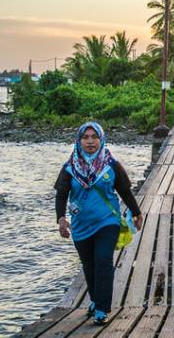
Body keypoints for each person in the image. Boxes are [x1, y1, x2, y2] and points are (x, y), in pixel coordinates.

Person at [54, 122, 143, 325]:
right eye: (85, 137)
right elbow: (61, 195)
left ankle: (102, 308)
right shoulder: (70, 168)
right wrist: (61, 219)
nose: (90, 141)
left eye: (94, 137)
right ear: (79, 140)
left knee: (103, 260)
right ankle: (95, 299)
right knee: (89, 264)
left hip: (107, 221)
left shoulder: (111, 164)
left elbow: (125, 191)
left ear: (101, 139)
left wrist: (137, 213)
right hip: (81, 225)